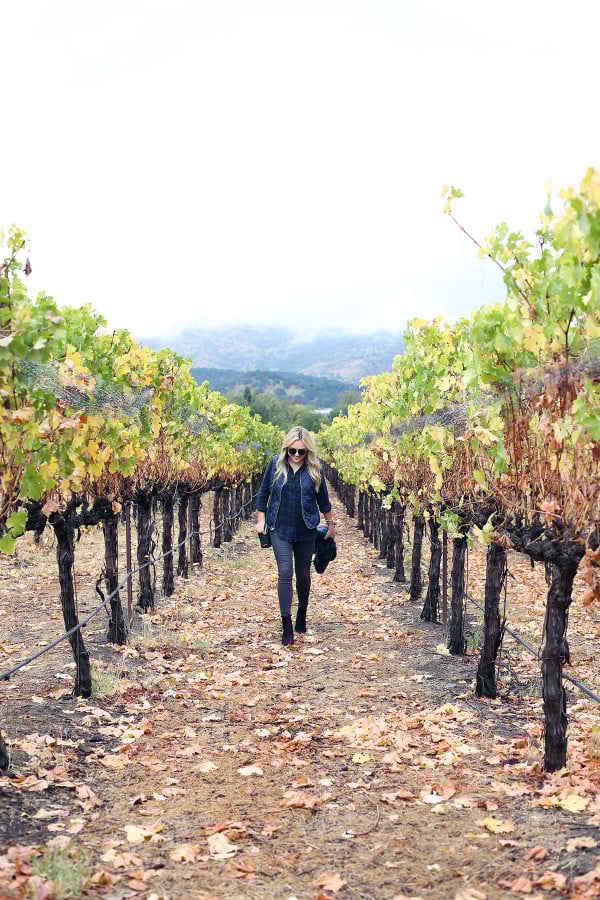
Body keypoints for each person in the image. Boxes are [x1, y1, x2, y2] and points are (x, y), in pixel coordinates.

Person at [255, 426, 336, 645]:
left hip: (306, 528)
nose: (297, 455)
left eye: (302, 451)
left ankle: (302, 611)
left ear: (308, 451)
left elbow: (324, 500)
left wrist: (330, 525)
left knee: (303, 574)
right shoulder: (275, 465)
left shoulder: (314, 469)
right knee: (285, 572)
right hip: (279, 527)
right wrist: (261, 521)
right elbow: (263, 494)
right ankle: (287, 625)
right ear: (286, 449)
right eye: (293, 451)